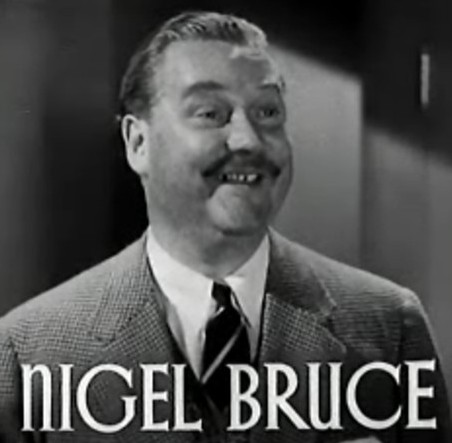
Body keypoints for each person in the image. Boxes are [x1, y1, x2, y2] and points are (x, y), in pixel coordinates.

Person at [0, 11, 450, 443]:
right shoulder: (28, 353)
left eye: (268, 112)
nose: (249, 140)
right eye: (211, 113)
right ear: (138, 143)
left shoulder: (389, 325)